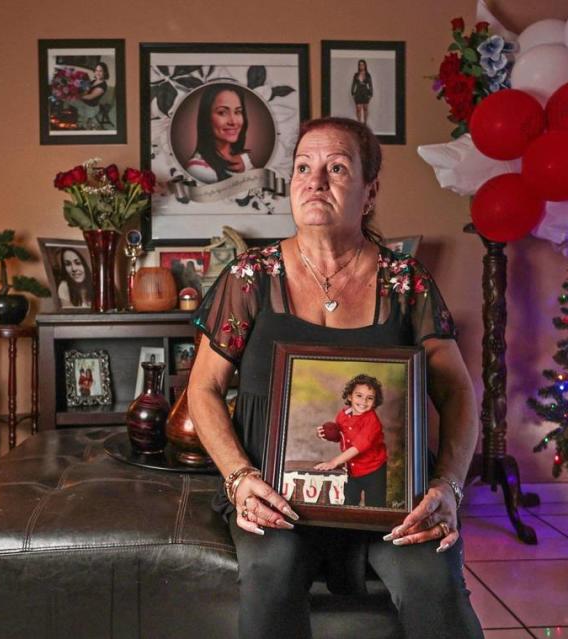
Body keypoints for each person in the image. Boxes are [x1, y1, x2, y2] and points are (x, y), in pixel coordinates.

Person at [188, 116, 483, 638]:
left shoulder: (406, 282)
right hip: (274, 493)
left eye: (336, 167)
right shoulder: (250, 277)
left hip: (388, 497)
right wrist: (238, 478)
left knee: (430, 577)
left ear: (369, 193)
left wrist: (449, 486)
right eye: (303, 167)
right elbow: (204, 389)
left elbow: (458, 390)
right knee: (270, 571)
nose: (314, 180)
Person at [314, 373, 388, 508]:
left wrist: (334, 462)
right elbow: (341, 437)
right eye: (359, 396)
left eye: (369, 398)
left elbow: (357, 447)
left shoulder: (373, 422)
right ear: (350, 396)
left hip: (373, 469)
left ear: (375, 401)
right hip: (351, 469)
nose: (364, 402)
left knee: (376, 504)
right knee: (348, 501)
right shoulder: (343, 415)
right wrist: (325, 435)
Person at [185, 83, 254, 184]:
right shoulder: (198, 169)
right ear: (207, 117)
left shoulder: (244, 158)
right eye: (222, 112)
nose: (233, 121)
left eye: (238, 112)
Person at [350, 59, 373, 125]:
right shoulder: (356, 74)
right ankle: (359, 123)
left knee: (365, 108)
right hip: (358, 92)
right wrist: (352, 93)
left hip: (365, 92)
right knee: (358, 109)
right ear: (358, 66)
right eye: (360, 64)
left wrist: (371, 94)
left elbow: (370, 85)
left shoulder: (368, 75)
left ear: (365, 65)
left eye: (362, 64)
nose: (361, 66)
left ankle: (365, 123)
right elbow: (353, 84)